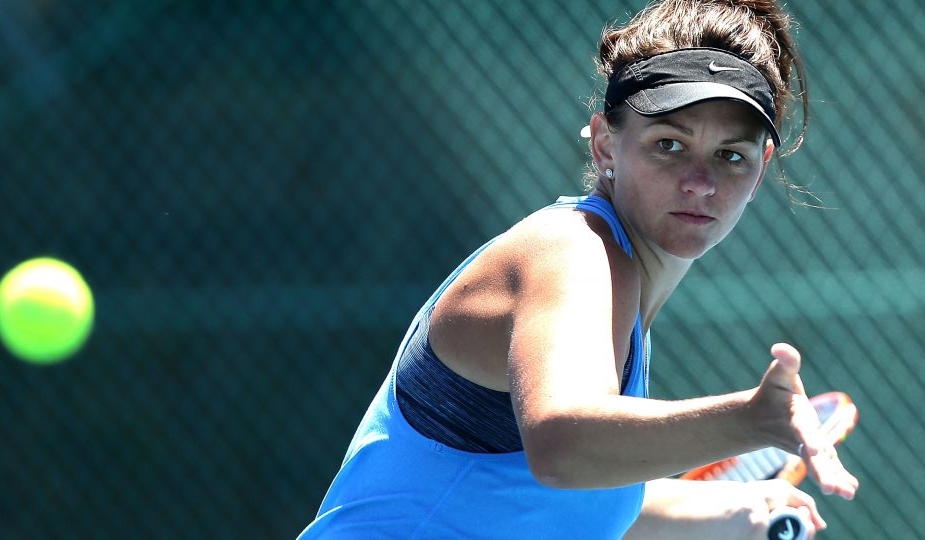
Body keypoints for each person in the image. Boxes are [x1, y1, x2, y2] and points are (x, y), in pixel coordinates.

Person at [299, 0, 858, 538]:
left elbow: (544, 500)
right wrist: (749, 420)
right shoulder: (571, 251)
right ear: (605, 146)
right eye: (669, 144)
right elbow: (563, 448)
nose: (699, 182)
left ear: (758, 173)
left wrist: (731, 510)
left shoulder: (622, 300)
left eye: (730, 156)